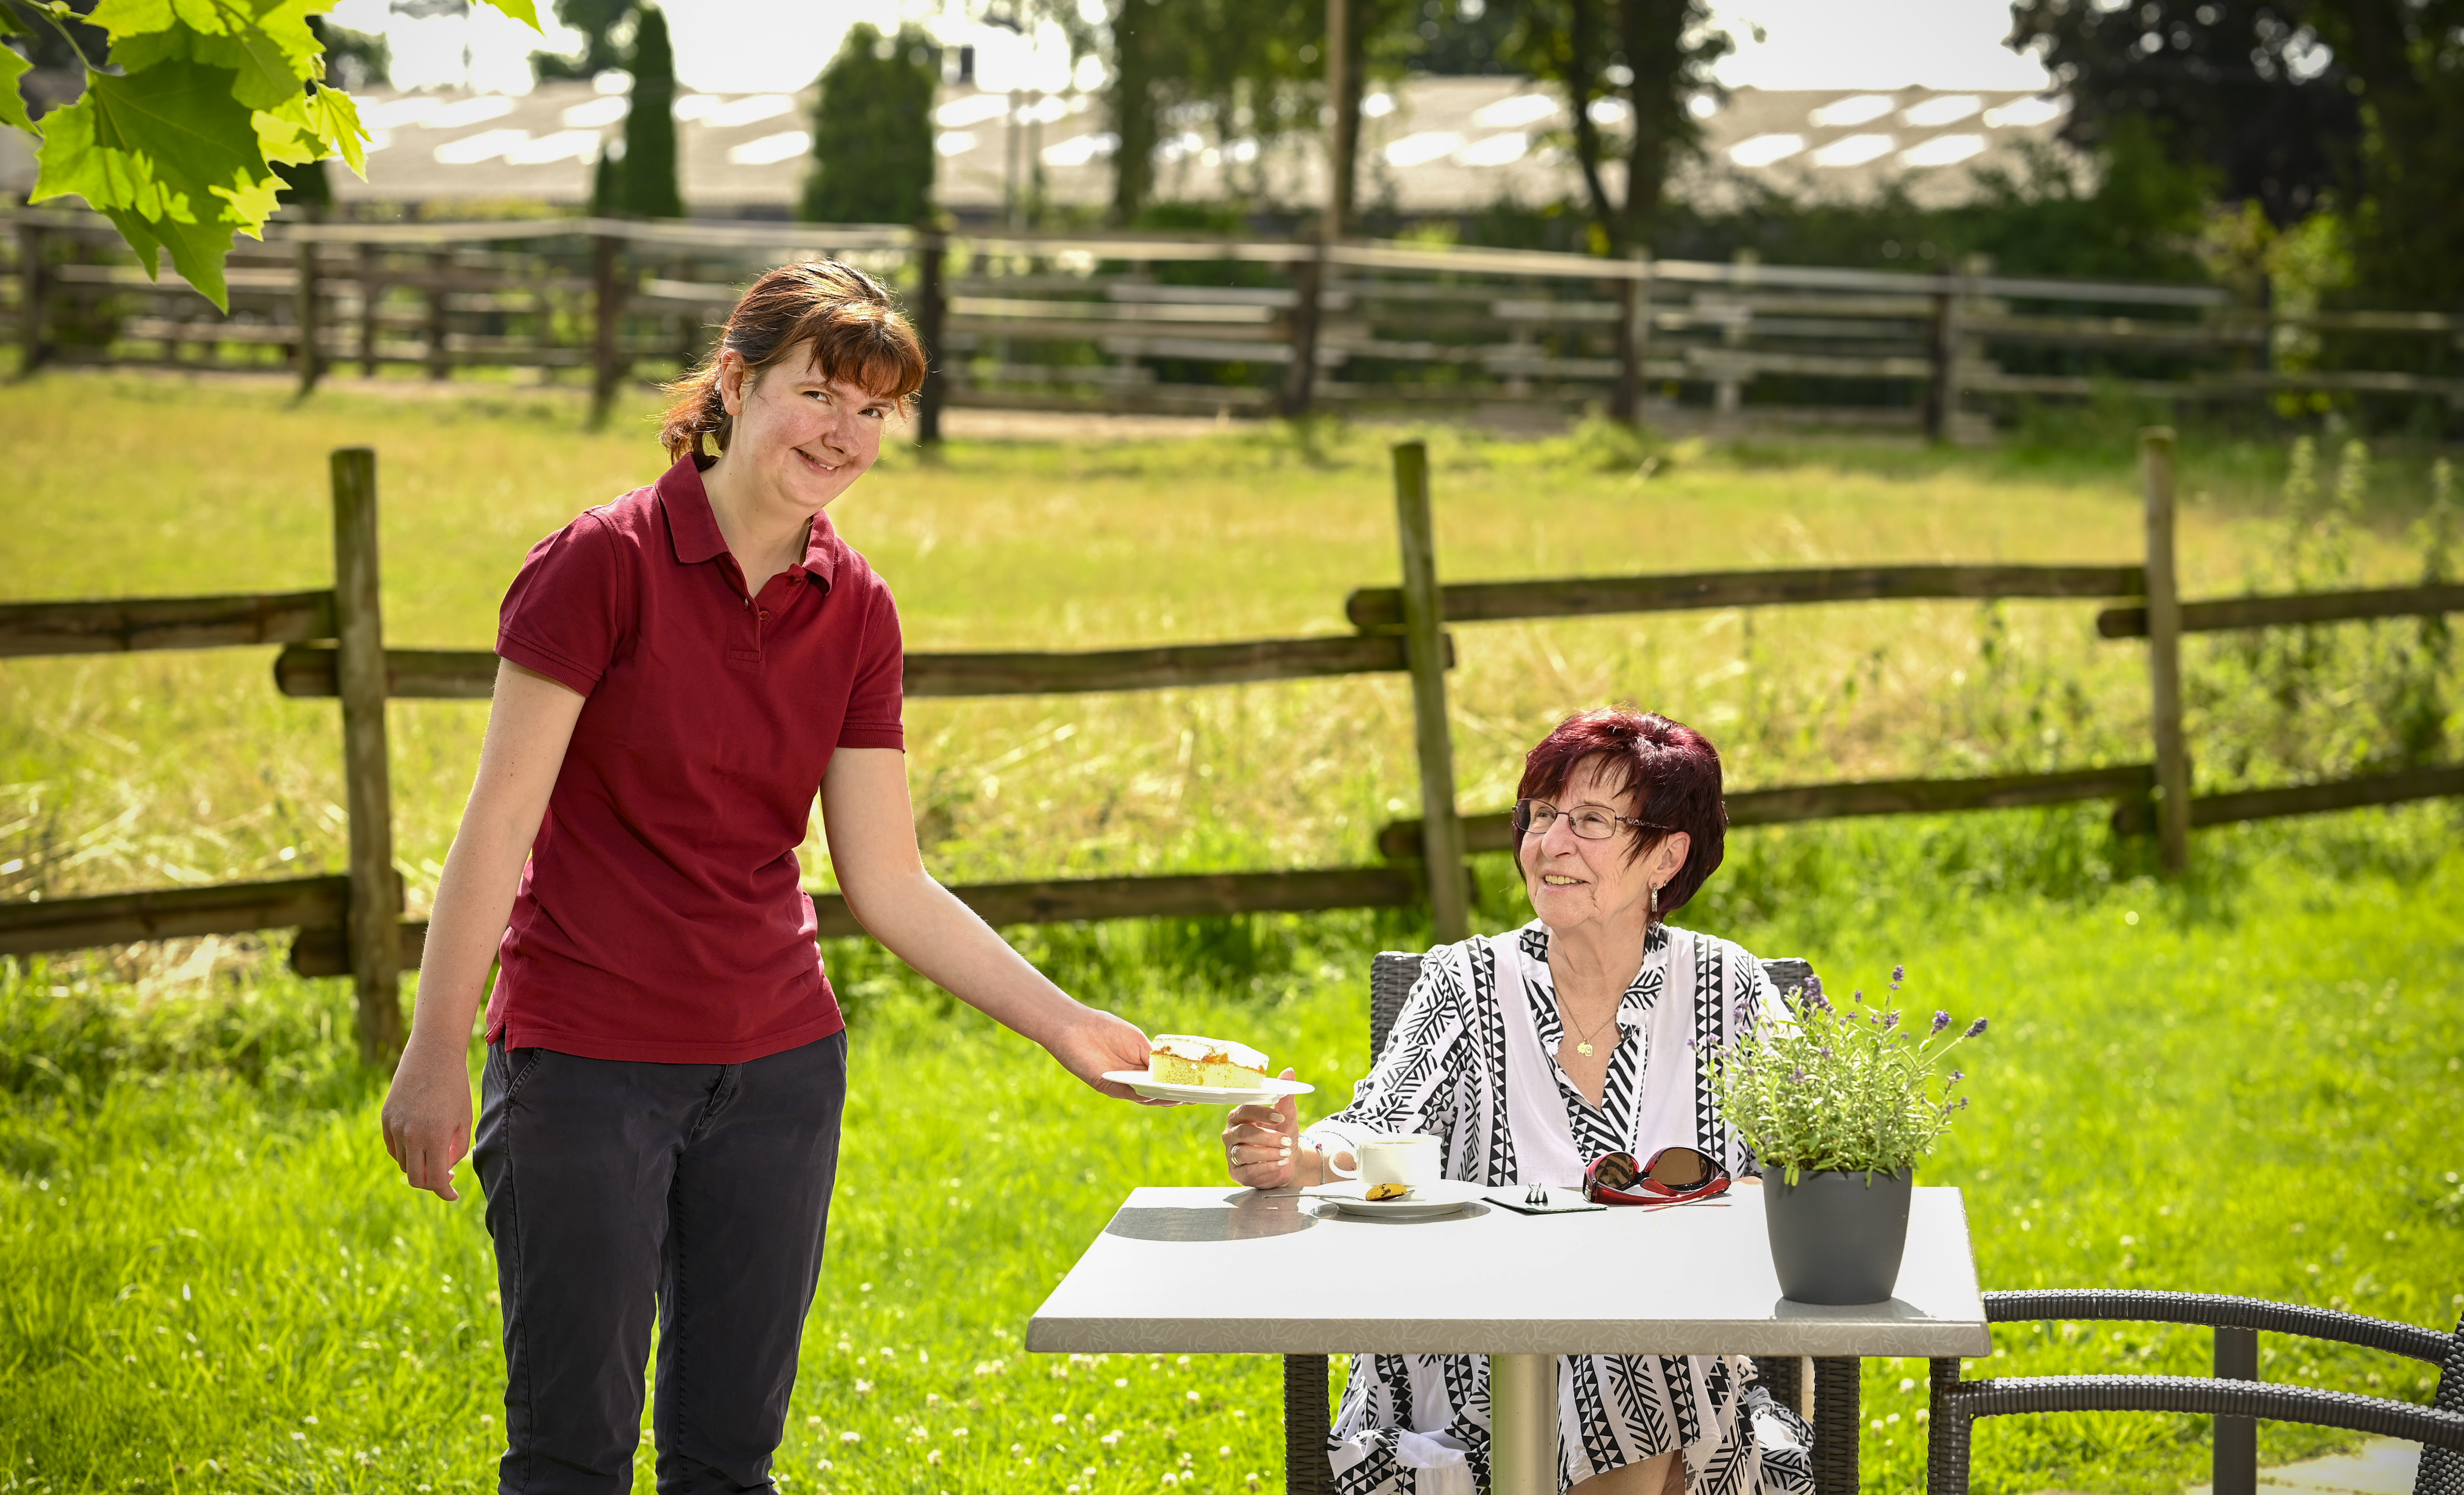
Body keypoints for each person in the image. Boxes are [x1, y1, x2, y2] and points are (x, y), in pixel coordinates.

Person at [379, 261, 1154, 1495]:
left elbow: (889, 881)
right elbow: (498, 825)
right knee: (572, 1456)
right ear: (735, 385)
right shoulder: (600, 564)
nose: (843, 434)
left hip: (780, 1074)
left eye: (874, 410)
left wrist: (1066, 1024)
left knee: (731, 1461)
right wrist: (434, 1051)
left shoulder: (858, 607)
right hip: (586, 1066)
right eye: (819, 394)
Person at [1222, 706, 1816, 1495]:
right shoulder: (1465, 982)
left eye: (1592, 821)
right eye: (1541, 815)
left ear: (1667, 856)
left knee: (1630, 1348)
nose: (1550, 843)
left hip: (1685, 1374)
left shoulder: (1725, 988)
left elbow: (1819, 1159)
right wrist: (1295, 1158)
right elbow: (1377, 1130)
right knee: (1618, 1359)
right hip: (1471, 1371)